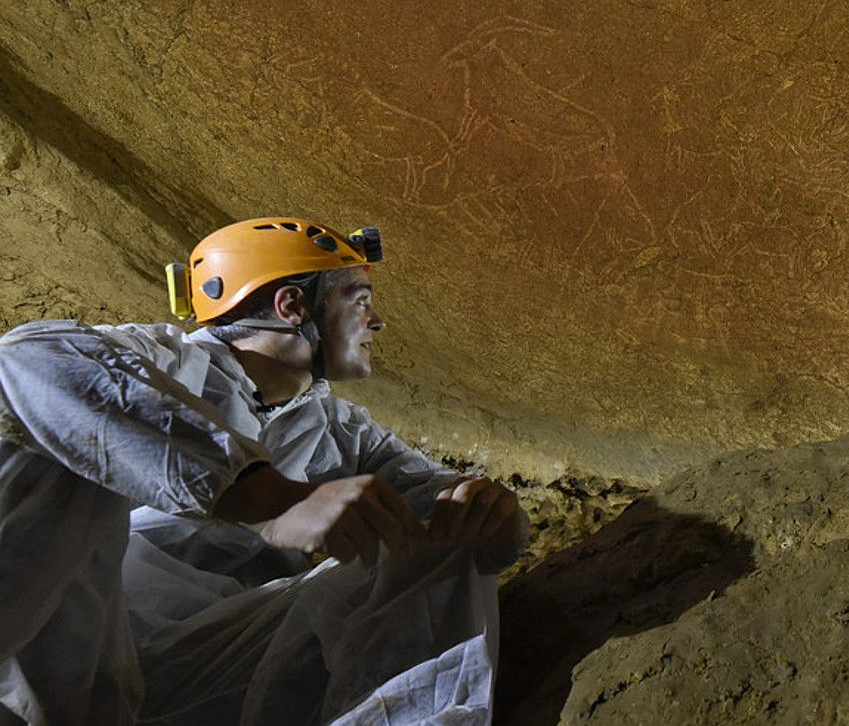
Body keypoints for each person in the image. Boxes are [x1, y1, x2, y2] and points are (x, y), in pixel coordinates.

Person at [0, 217, 527, 724]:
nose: (377, 322)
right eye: (360, 301)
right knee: (38, 428)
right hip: (69, 647)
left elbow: (434, 496)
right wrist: (266, 497)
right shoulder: (164, 360)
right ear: (292, 304)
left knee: (443, 546)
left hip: (206, 671)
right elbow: (20, 360)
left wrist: (491, 517)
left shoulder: (342, 431)